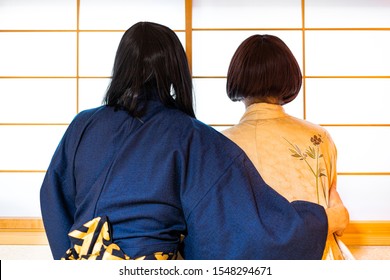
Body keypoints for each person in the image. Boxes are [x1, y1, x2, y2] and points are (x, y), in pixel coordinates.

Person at [40, 22, 349, 260]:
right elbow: (248, 231)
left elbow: (53, 199)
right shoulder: (190, 134)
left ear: (120, 66)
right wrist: (322, 219)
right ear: (176, 70)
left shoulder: (83, 124)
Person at [222, 34, 353, 260]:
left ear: (237, 78)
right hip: (316, 257)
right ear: (288, 77)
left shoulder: (220, 143)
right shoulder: (318, 137)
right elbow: (339, 219)